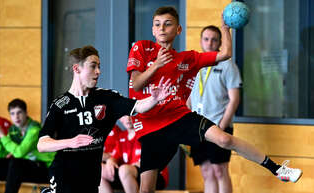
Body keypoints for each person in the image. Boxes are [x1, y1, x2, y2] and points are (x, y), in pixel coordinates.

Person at [126, 6, 302, 193]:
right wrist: (157, 65)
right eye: (157, 24)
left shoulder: (188, 59)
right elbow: (136, 83)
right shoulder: (142, 48)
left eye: (168, 24)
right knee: (146, 189)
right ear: (153, 29)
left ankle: (278, 169)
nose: (162, 28)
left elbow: (225, 53)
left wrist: (225, 28)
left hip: (178, 117)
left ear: (178, 29)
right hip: (151, 126)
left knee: (225, 140)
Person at [37, 45, 171, 193]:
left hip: (91, 176)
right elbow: (42, 144)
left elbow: (138, 106)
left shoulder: (106, 98)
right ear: (77, 69)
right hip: (65, 173)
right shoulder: (60, 104)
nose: (98, 72)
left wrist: (154, 99)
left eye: (99, 67)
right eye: (93, 66)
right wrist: (70, 142)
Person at [186, 25, 242, 193]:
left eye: (214, 40)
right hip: (198, 127)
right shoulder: (195, 64)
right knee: (206, 171)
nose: (210, 43)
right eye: (206, 39)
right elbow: (188, 96)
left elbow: (234, 99)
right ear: (201, 41)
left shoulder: (227, 65)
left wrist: (222, 125)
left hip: (219, 126)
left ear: (219, 43)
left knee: (220, 170)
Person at [0, 98, 55, 193]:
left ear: (26, 113)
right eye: (12, 113)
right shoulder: (13, 131)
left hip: (44, 169)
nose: (16, 117)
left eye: (19, 112)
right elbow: (1, 155)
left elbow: (19, 153)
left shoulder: (34, 130)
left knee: (16, 163)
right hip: (23, 168)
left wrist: (3, 136)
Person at [100, 116, 168, 193]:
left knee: (124, 170)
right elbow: (115, 156)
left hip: (153, 175)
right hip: (127, 174)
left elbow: (155, 159)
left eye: (132, 114)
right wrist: (111, 161)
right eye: (124, 115)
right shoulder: (122, 136)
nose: (128, 118)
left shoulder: (146, 134)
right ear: (120, 119)